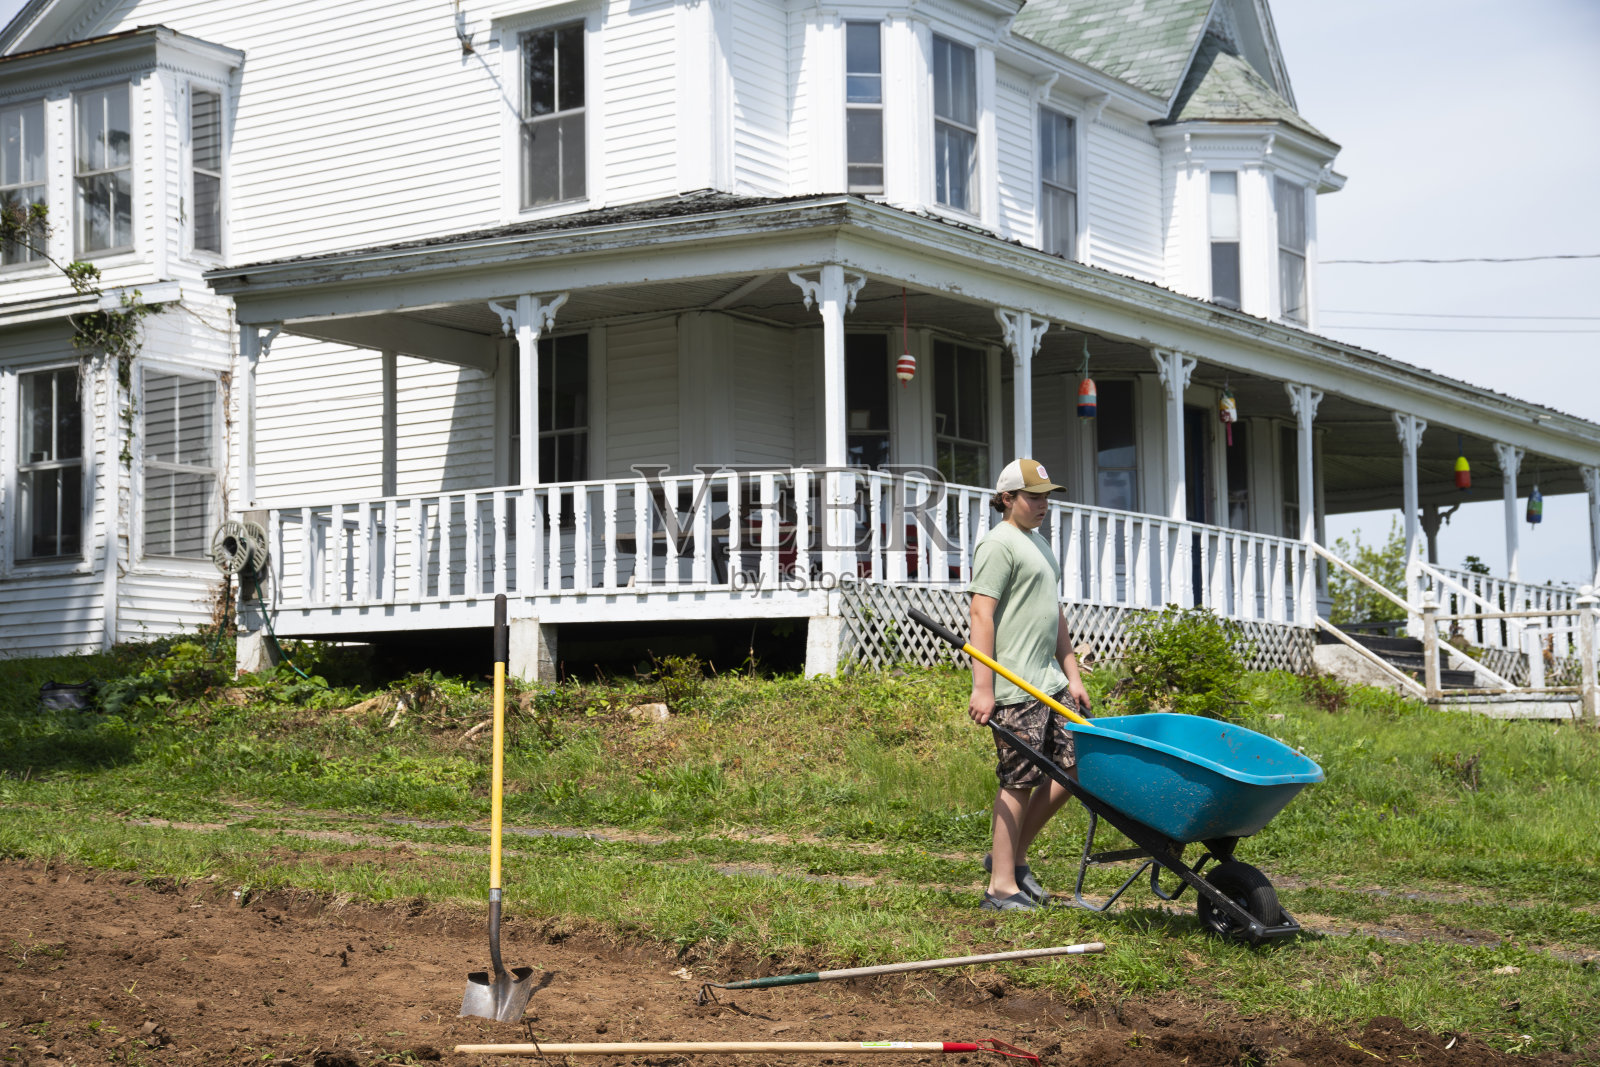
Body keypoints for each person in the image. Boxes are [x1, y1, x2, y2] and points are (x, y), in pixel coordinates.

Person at [966, 458, 1092, 911]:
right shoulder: (998, 545)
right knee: (1019, 780)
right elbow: (981, 614)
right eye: (1033, 496)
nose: (1043, 505)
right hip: (1014, 684)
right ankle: (1000, 888)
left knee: (1077, 768)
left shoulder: (1037, 542)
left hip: (1050, 681)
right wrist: (984, 687)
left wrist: (1072, 674)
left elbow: (1054, 612)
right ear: (1007, 499)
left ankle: (1014, 859)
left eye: (1046, 497)